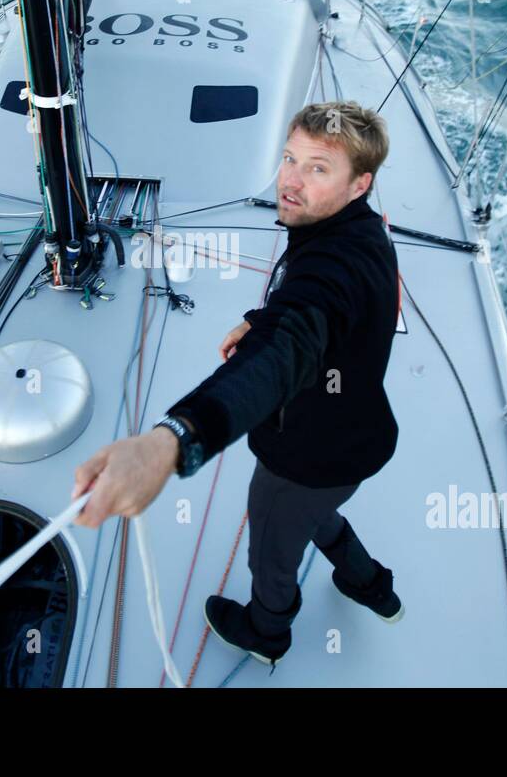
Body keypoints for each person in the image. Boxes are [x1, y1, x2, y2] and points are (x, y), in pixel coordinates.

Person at [71, 100, 403, 666]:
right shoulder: (362, 232)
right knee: (317, 513)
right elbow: (306, 316)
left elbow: (286, 350)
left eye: (318, 168)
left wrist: (167, 443)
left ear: (359, 184)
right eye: (289, 158)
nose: (290, 181)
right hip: (358, 442)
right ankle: (370, 585)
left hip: (305, 456)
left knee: (274, 545)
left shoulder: (331, 266)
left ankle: (266, 631)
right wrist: (259, 319)